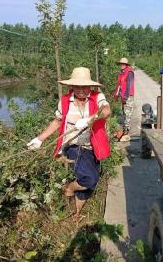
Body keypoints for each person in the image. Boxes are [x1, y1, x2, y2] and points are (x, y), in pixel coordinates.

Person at [27, 67, 111, 220]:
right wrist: (40, 139)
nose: (81, 90)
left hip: (93, 145)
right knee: (89, 178)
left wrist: (89, 120)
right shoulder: (65, 101)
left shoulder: (97, 97)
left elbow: (106, 111)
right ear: (72, 86)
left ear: (91, 86)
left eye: (85, 86)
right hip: (73, 145)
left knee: (90, 178)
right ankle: (69, 187)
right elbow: (58, 121)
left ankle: (77, 212)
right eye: (78, 86)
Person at [114, 57, 135, 141]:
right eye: (121, 64)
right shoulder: (122, 73)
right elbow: (119, 85)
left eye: (123, 64)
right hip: (123, 96)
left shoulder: (129, 72)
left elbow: (129, 85)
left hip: (128, 96)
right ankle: (124, 131)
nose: (122, 65)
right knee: (123, 113)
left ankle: (126, 132)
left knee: (127, 113)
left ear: (126, 65)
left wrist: (125, 97)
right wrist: (117, 94)